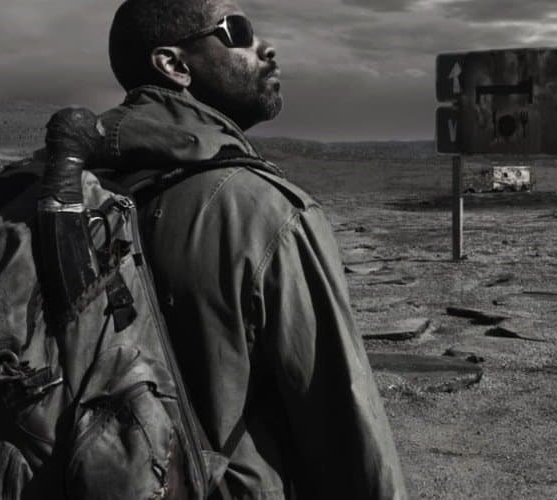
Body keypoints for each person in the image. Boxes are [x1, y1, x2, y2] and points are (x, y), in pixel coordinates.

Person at [101, 0, 407, 498]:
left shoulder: (60, 196)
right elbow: (344, 433)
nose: (267, 48)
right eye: (237, 31)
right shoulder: (264, 211)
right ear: (173, 65)